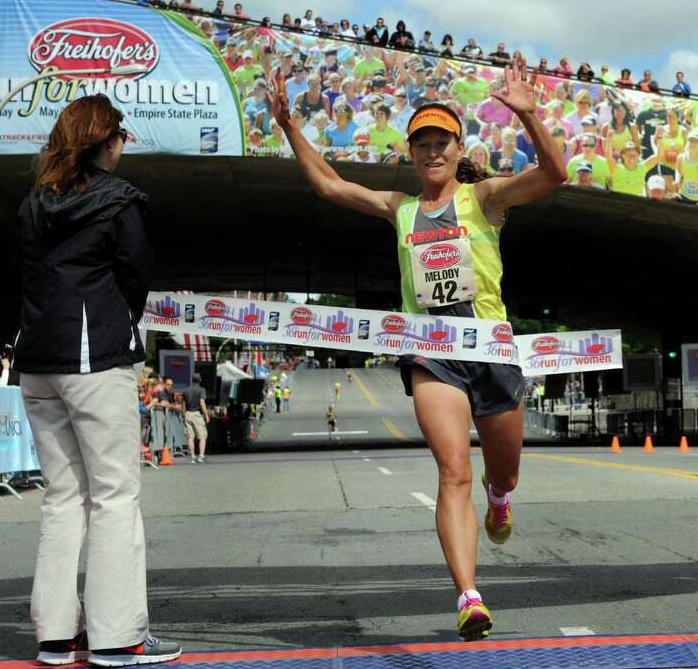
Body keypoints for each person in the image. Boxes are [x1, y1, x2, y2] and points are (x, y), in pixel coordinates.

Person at [270, 57, 565, 641]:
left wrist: (530, 118)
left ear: (459, 149)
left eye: (442, 142)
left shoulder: (484, 200)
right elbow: (331, 185)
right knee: (453, 469)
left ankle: (500, 497)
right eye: (422, 143)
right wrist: (288, 126)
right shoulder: (400, 209)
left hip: (492, 350)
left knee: (500, 471)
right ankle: (468, 595)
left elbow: (555, 174)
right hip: (430, 351)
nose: (432, 152)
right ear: (411, 153)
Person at [13, 95, 179, 665]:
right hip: (94, 358)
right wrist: (113, 322)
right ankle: (117, 636)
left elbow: (23, 277)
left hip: (36, 359)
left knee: (62, 498)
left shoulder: (34, 202)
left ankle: (55, 634)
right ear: (108, 141)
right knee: (113, 495)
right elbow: (137, 277)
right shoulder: (118, 200)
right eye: (121, 137)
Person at [183, 373, 210, 464]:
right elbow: (202, 402)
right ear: (200, 380)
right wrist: (206, 415)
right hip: (197, 415)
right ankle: (201, 456)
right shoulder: (201, 390)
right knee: (202, 436)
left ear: (191, 379)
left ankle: (193, 457)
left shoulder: (186, 390)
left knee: (190, 437)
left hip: (187, 414)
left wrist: (183, 414)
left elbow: (183, 404)